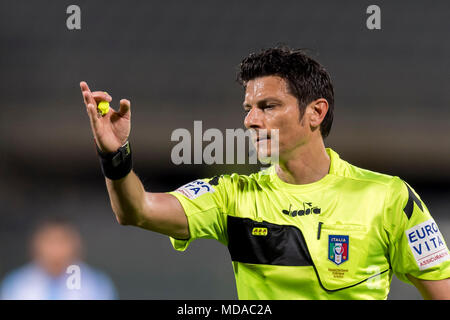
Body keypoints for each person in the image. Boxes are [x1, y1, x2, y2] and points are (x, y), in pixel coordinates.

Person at [79, 46, 450, 299]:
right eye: (248, 107)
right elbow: (136, 210)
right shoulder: (231, 195)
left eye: (268, 106)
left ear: (315, 113)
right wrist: (115, 155)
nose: (251, 120)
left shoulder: (388, 198)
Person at [0, 218, 117, 300]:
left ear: (76, 245)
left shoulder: (97, 285)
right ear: (36, 245)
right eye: (50, 241)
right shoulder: (15, 284)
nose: (56, 250)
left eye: (62, 241)